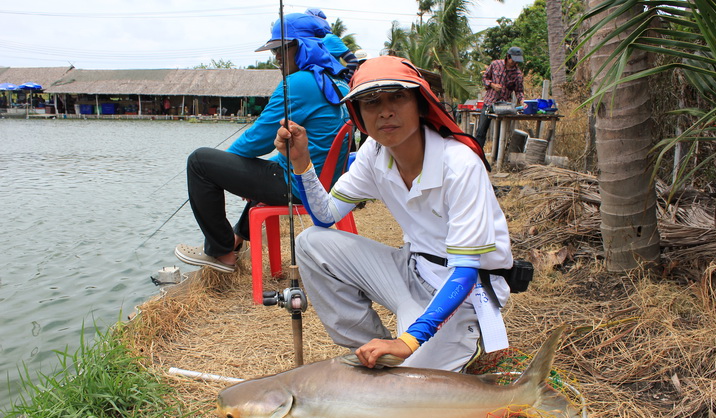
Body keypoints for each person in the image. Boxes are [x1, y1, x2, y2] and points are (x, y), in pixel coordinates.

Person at [276, 55, 514, 372]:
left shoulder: (459, 164)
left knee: (416, 382)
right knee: (311, 243)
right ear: (358, 114)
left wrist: (408, 341)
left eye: (398, 97)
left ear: (420, 103)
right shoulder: (374, 155)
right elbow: (325, 216)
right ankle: (374, 352)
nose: (385, 111)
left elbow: (466, 272)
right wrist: (301, 162)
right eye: (371, 102)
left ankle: (415, 353)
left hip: (464, 289)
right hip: (411, 268)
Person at [174, 13, 350, 273]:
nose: (276, 57)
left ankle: (221, 252)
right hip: (325, 183)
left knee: (200, 162)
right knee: (267, 167)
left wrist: (228, 169)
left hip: (301, 187)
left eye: (281, 49)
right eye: (274, 51)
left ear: (302, 46)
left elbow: (257, 141)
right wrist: (241, 172)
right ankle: (235, 238)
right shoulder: (338, 82)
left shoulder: (298, 83)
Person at [474, 46, 525, 147]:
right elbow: (484, 78)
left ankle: (497, 159)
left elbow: (519, 91)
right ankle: (477, 154)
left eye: (517, 61)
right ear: (508, 57)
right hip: (489, 102)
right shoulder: (495, 64)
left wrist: (523, 101)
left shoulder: (518, 74)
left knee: (500, 135)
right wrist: (492, 85)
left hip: (504, 106)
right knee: (481, 131)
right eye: (513, 60)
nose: (515, 63)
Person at [305, 8, 359, 82]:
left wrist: (345, 80)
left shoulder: (329, 38)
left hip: (330, 85)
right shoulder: (304, 41)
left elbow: (352, 60)